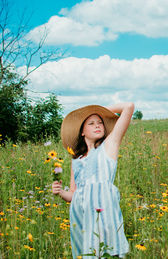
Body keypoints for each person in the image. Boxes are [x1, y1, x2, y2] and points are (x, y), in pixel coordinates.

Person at [52, 102, 135, 258]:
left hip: (104, 212)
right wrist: (60, 192)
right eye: (91, 123)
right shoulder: (76, 159)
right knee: (87, 253)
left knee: (109, 252)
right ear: (82, 131)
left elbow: (128, 107)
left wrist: (100, 112)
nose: (98, 125)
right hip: (81, 215)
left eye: (100, 123)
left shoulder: (109, 145)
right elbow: (73, 195)